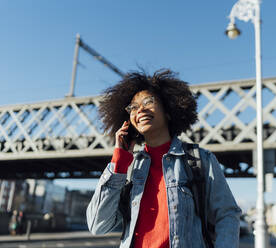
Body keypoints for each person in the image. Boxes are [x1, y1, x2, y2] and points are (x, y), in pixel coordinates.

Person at [86, 69, 241, 248]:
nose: (140, 110)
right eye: (133, 107)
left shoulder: (200, 160)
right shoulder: (127, 169)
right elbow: (98, 226)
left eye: (148, 102)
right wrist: (118, 163)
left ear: (168, 110)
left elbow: (227, 215)